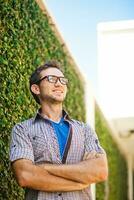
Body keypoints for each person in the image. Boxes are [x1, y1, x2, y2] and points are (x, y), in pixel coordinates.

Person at [10, 60, 108, 200]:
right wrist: (79, 182)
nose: (59, 83)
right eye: (51, 79)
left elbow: (100, 171)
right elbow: (25, 176)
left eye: (62, 80)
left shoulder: (85, 130)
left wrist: (44, 168)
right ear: (36, 89)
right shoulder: (22, 130)